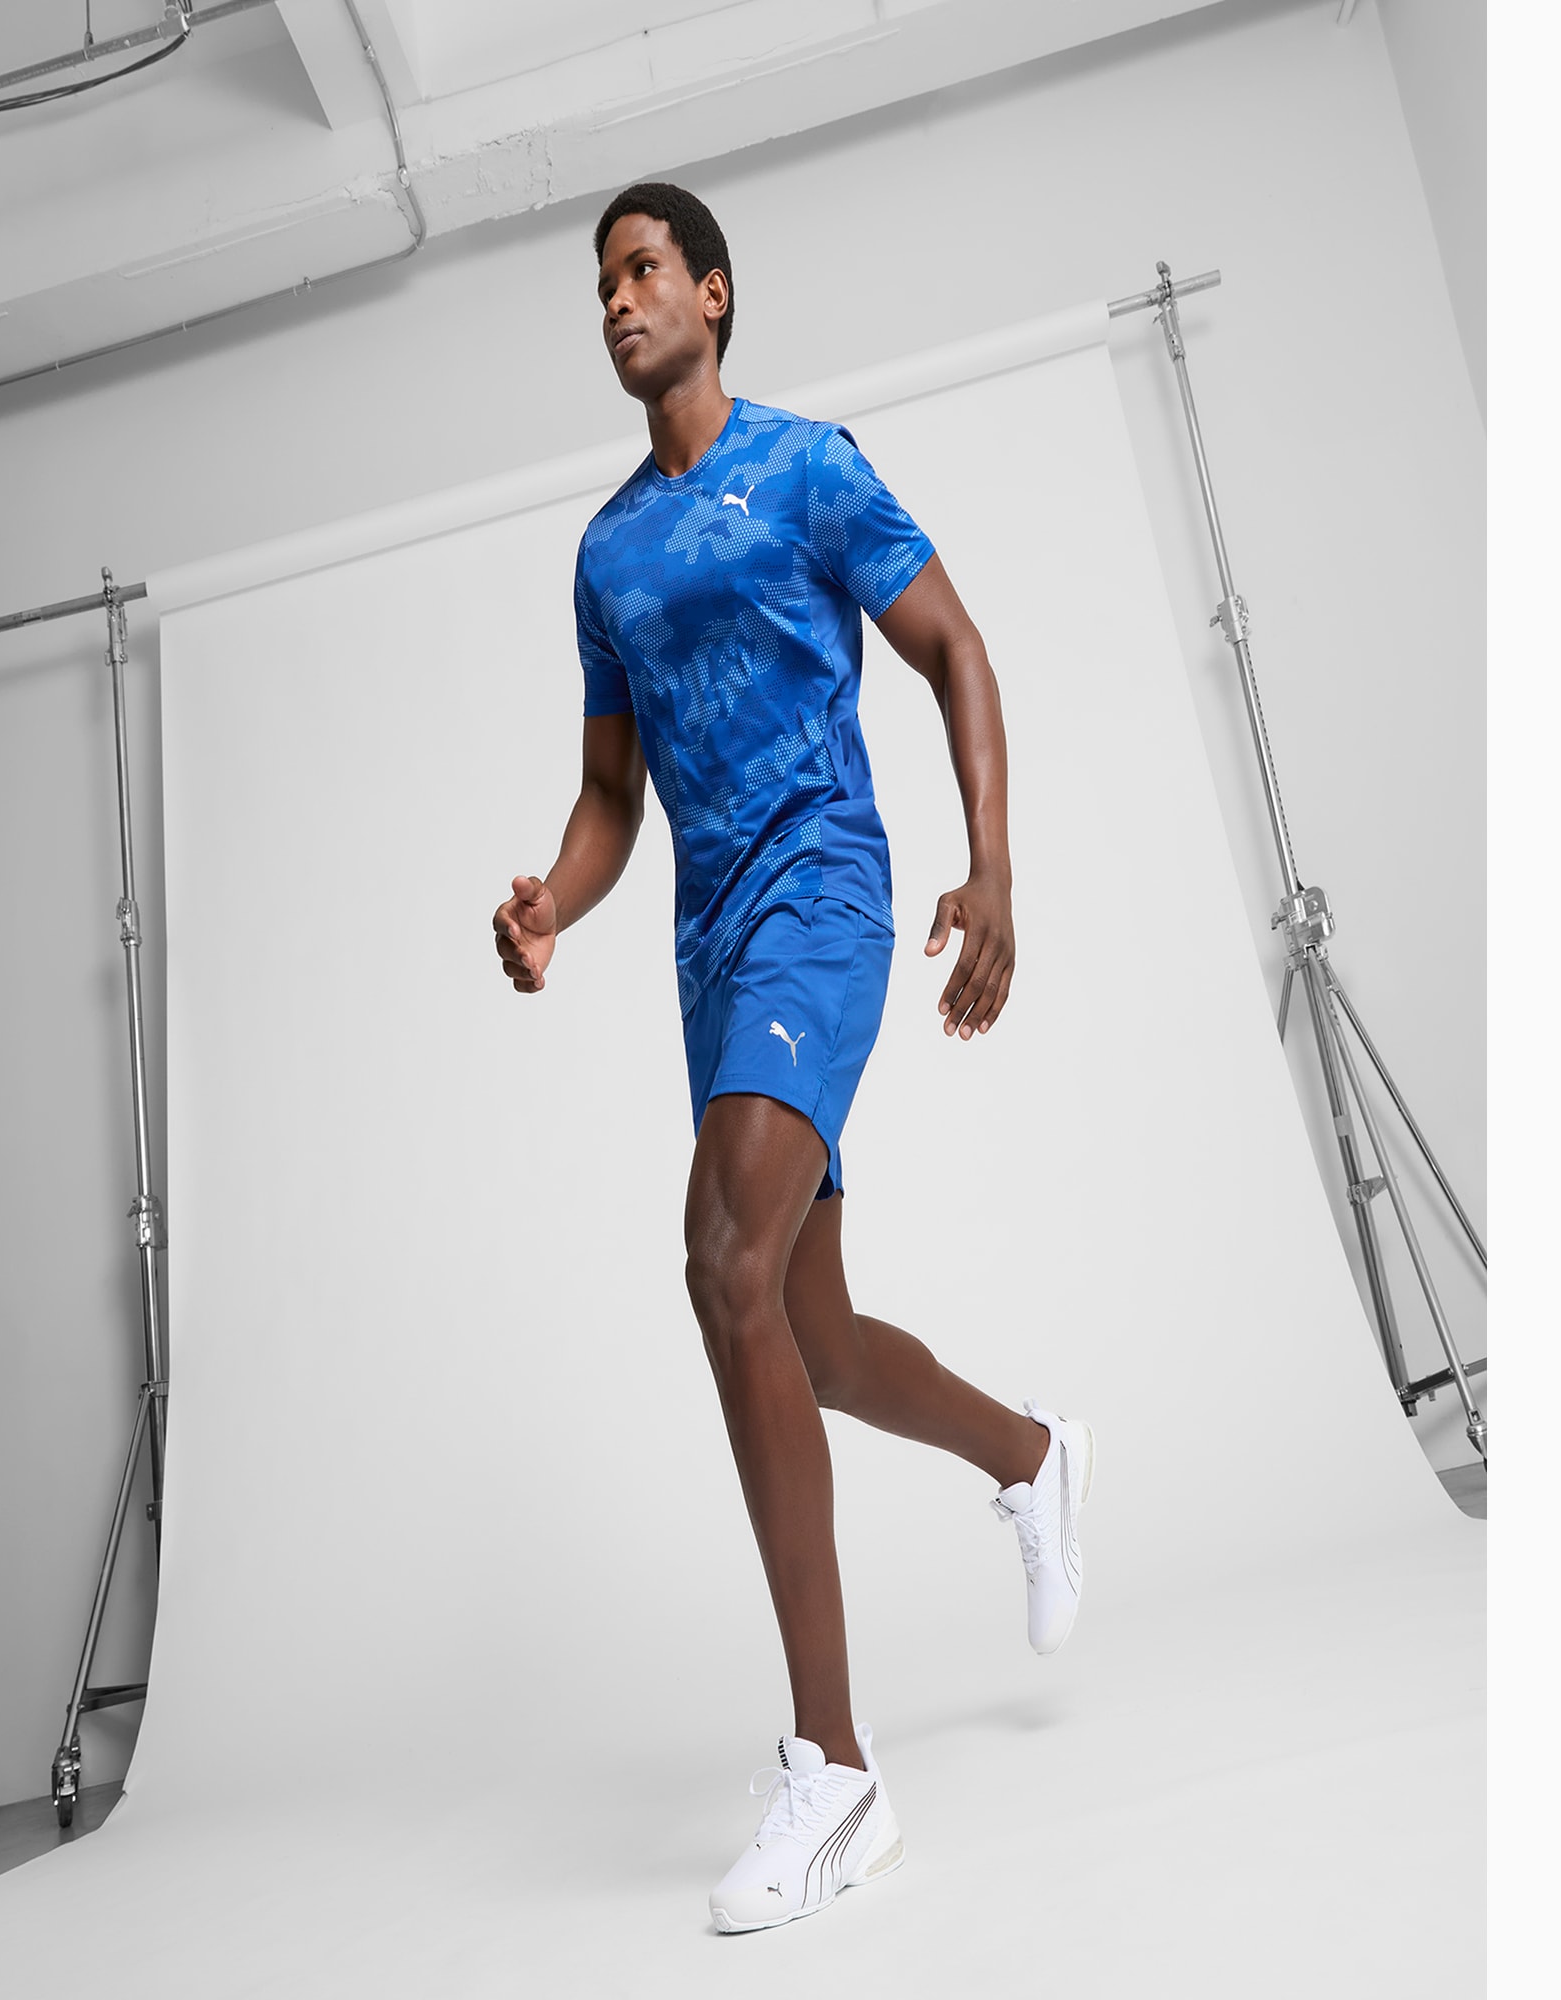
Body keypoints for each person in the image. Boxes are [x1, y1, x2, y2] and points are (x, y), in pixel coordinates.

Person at [492, 182, 1093, 1934]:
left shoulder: (811, 468)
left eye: (643, 271)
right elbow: (611, 794)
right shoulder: (607, 554)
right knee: (806, 1333)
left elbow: (953, 646)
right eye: (601, 283)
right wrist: (554, 905)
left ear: (714, 294)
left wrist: (992, 866)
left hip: (823, 900)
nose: (617, 301)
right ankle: (1032, 1455)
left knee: (720, 1263)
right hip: (709, 951)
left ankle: (837, 1771)